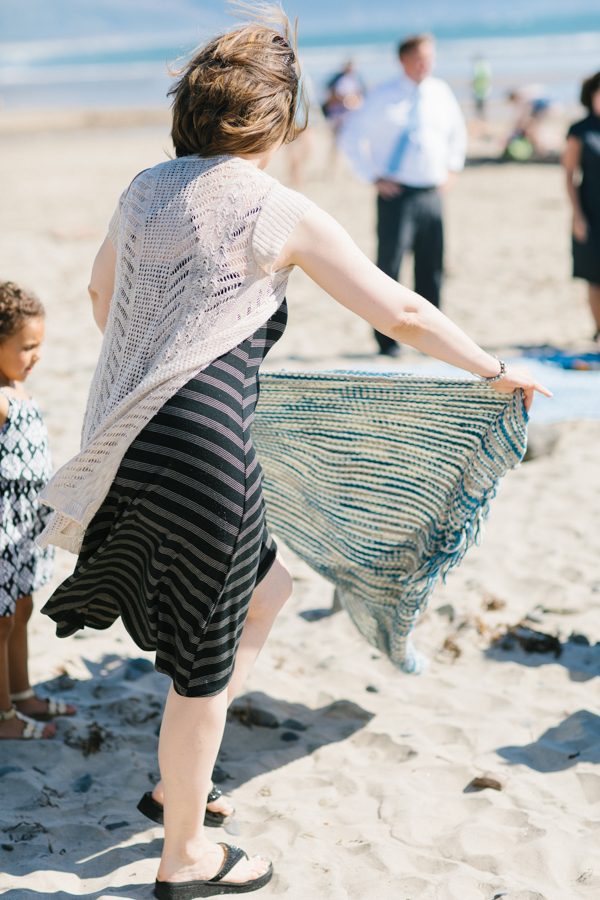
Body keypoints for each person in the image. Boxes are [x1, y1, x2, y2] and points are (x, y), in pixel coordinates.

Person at [38, 7, 548, 895]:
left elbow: (98, 295)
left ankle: (181, 787)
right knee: (202, 667)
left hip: (129, 444)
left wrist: (161, 359)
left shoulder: (143, 189)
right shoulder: (277, 208)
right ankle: (184, 853)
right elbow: (400, 312)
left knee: (269, 589)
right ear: (273, 123)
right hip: (206, 456)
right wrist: (493, 367)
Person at [338, 33, 467, 356]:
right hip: (397, 194)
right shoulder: (383, 95)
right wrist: (372, 177)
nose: (426, 64)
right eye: (419, 58)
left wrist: (453, 170)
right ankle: (387, 339)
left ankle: (432, 338)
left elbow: (457, 132)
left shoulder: (440, 92)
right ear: (403, 60)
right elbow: (351, 137)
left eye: (430, 58)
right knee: (389, 268)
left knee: (432, 266)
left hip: (432, 192)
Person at [0, 282, 75, 740]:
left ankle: (21, 693)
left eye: (39, 346)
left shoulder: (17, 386)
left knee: (23, 608)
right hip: (3, 529)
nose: (36, 355)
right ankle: (4, 719)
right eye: (27, 347)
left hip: (26, 526)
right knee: (2, 619)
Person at [563, 71, 600, 342]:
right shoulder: (580, 130)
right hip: (591, 212)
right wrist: (577, 216)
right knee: (595, 277)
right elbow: (569, 175)